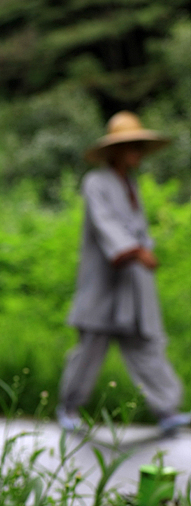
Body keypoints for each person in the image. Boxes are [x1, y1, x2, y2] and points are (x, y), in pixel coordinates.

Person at [57, 110, 190, 434]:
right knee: (90, 349)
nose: (137, 153)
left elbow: (138, 228)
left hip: (132, 285)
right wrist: (135, 250)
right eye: (131, 146)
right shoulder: (96, 182)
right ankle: (69, 406)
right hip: (103, 284)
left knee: (146, 347)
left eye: (139, 147)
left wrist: (145, 246)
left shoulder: (130, 184)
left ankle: (166, 409)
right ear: (115, 149)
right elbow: (107, 226)